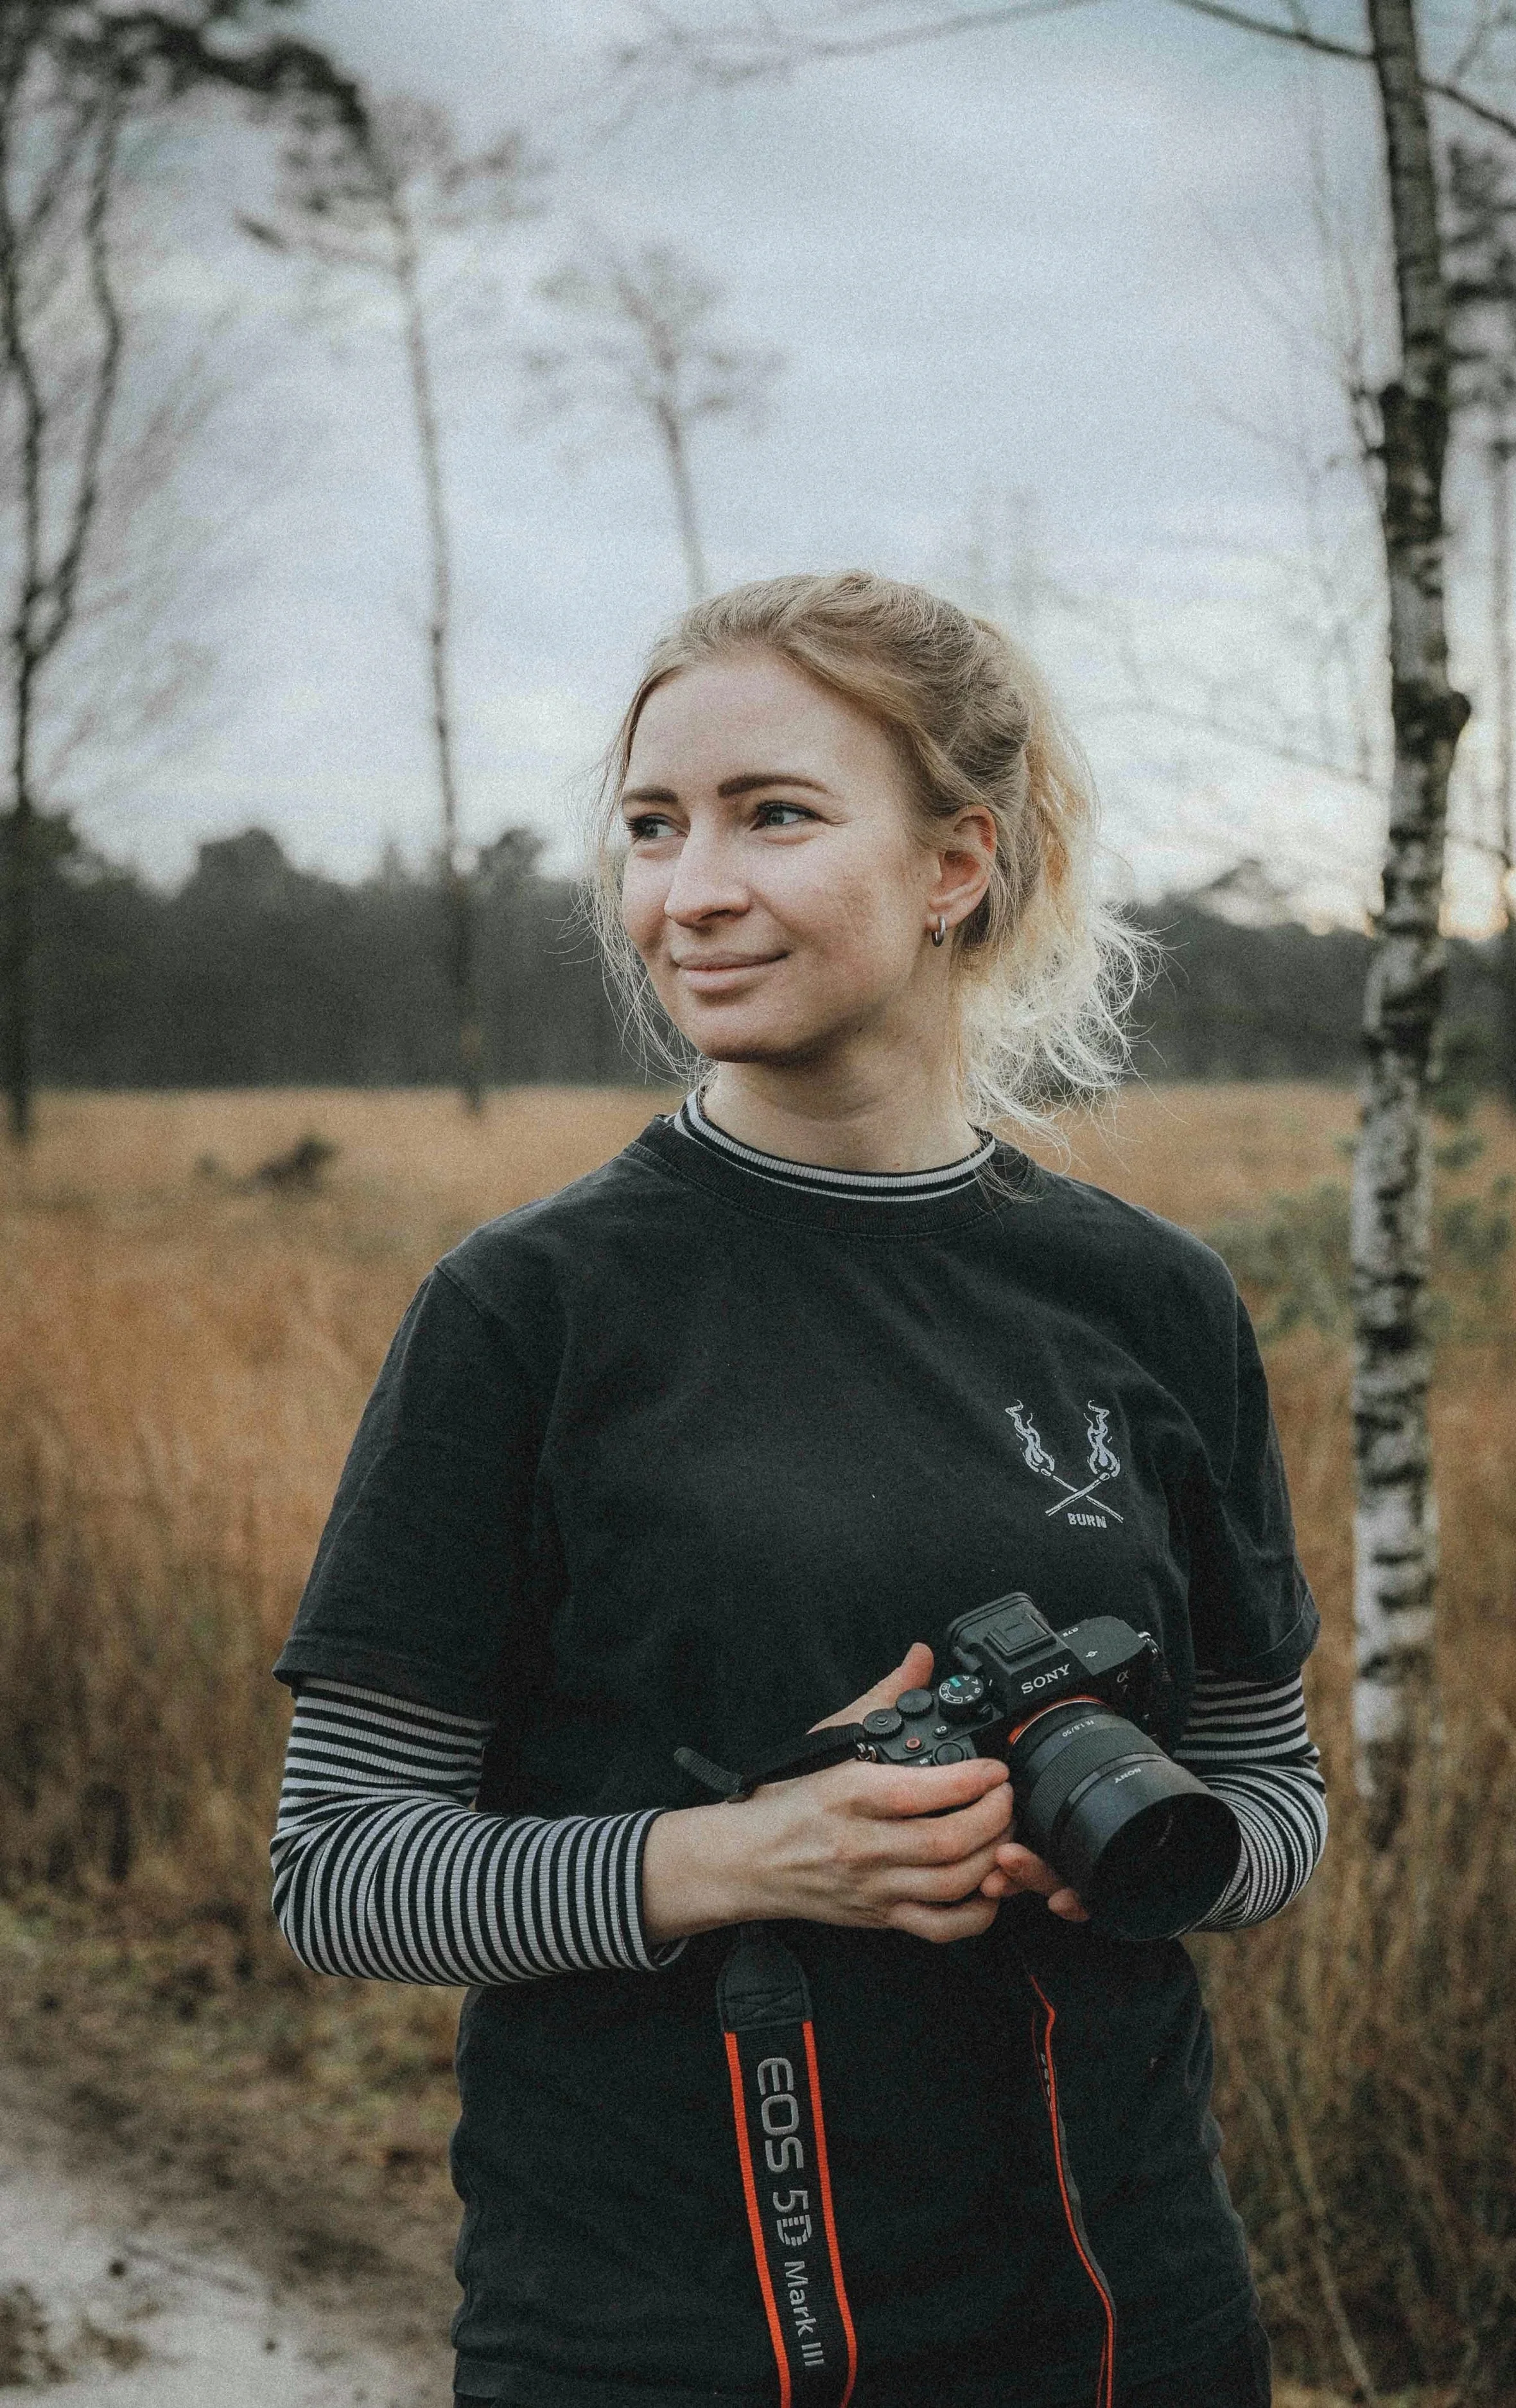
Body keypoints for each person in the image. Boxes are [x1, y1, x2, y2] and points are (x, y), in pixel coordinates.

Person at [270, 571, 1325, 2408]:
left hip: (1118, 2302)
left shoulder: (1151, 1299)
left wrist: (1145, 1853)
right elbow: (342, 1868)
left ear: (953, 865)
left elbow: (1275, 1787)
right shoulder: (529, 1309)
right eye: (653, 829)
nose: (689, 891)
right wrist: (744, 1858)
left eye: (774, 814)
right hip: (664, 2318)